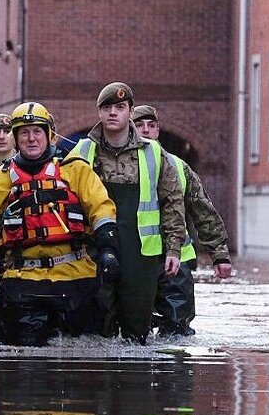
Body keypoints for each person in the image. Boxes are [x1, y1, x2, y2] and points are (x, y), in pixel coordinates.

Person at [0, 102, 119, 346]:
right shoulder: (0, 179)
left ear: (48, 135)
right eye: (24, 132)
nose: (31, 138)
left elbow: (101, 208)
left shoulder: (76, 170)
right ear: (16, 138)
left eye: (37, 131)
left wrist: (109, 250)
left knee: (83, 363)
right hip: (23, 281)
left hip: (76, 279)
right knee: (23, 369)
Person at [70, 82, 187, 344]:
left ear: (130, 112)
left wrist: (173, 250)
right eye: (107, 107)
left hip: (142, 254)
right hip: (94, 249)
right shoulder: (82, 152)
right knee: (96, 329)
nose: (113, 113)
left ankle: (135, 382)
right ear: (99, 112)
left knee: (137, 330)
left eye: (120, 107)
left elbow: (172, 202)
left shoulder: (154, 152)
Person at [132, 104, 233, 336]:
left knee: (178, 330)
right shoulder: (120, 167)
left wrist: (220, 255)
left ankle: (176, 371)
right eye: (139, 126)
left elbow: (203, 210)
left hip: (177, 260)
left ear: (158, 131)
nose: (146, 131)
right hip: (137, 260)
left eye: (151, 126)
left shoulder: (179, 166)